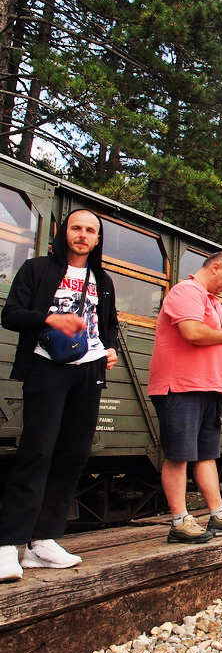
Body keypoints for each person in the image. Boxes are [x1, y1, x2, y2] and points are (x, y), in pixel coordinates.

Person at [0, 210, 119, 582]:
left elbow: (110, 323)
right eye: (76, 228)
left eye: (90, 231)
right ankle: (8, 544)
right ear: (64, 232)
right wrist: (50, 319)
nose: (82, 235)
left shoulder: (102, 279)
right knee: (37, 451)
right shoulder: (37, 269)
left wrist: (110, 349)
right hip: (46, 367)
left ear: (97, 240)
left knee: (73, 454)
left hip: (90, 369)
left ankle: (43, 540)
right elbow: (12, 314)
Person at [147, 251, 222, 544]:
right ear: (215, 267)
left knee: (207, 454)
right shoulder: (186, 291)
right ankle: (180, 521)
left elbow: (211, 338)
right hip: (181, 386)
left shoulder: (213, 301)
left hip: (208, 387)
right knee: (178, 456)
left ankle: (218, 515)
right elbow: (192, 332)